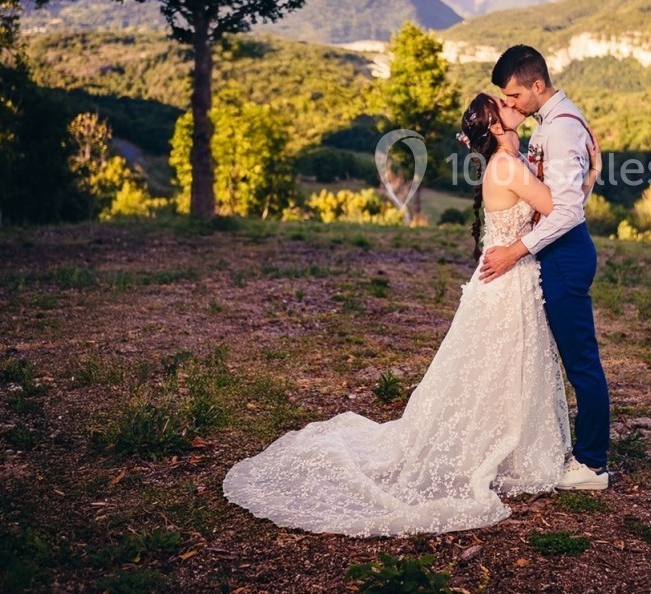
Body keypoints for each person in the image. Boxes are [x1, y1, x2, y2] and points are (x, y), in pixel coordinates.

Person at [222, 93, 600, 536]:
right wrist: (591, 174)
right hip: (508, 282)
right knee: (501, 366)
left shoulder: (506, 163)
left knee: (496, 368)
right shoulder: (509, 167)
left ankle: (499, 446)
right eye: (503, 104)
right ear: (497, 127)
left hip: (505, 280)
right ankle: (495, 448)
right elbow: (561, 208)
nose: (509, 103)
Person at [480, 45, 611, 491]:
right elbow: (563, 198)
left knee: (581, 361)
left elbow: (567, 212)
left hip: (565, 256)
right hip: (553, 252)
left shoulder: (561, 130)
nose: (511, 104)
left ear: (537, 85)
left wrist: (515, 250)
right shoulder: (548, 123)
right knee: (554, 359)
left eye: (515, 95)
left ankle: (592, 464)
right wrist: (590, 178)